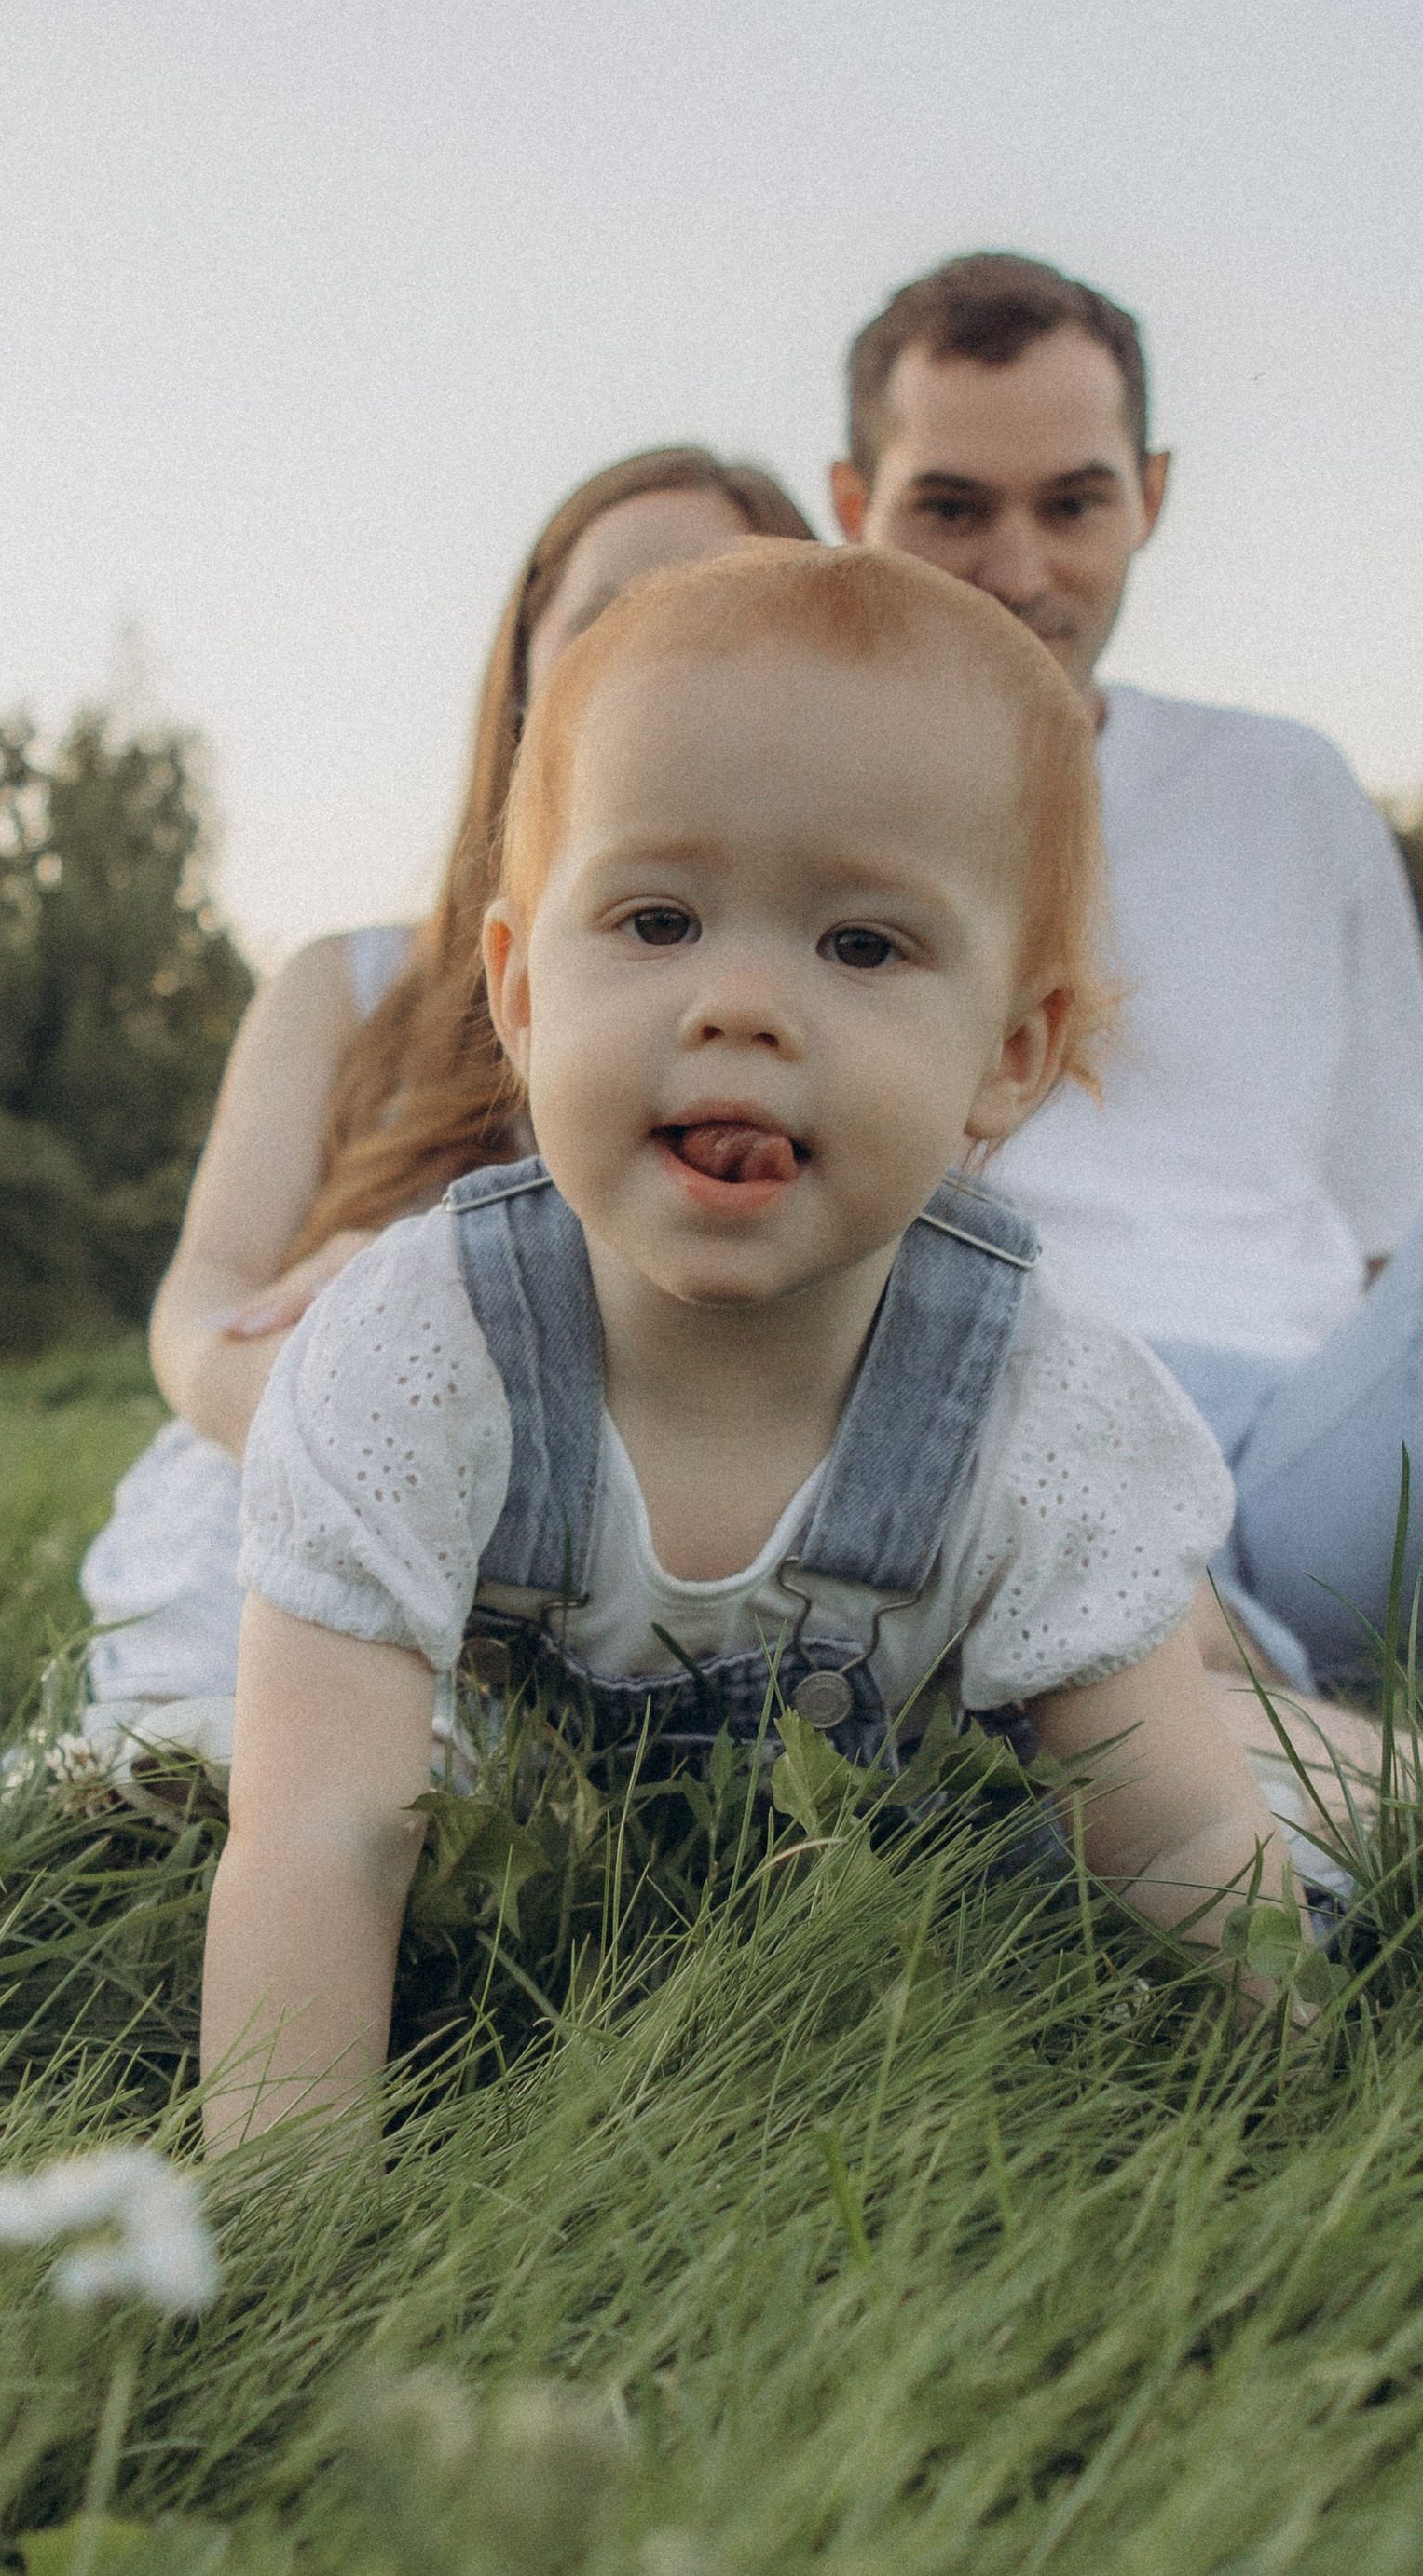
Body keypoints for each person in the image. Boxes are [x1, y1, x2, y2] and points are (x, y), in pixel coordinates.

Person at [200, 545, 1289, 2153]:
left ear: (1010, 1054)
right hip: (519, 1895)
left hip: (918, 1893)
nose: (742, 1005)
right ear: (517, 990)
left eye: (862, 946)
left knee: (1221, 1832)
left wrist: (1297, 2112)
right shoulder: (423, 1351)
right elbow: (323, 1828)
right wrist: (289, 2230)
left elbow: (1177, 1834)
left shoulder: (1038, 1402)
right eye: (657, 918)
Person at [80, 446, 817, 1766]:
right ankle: (192, 1759)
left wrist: (432, 1291)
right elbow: (204, 1295)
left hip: (623, 1532)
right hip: (306, 1469)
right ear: (526, 660)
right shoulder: (345, 987)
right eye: (605, 612)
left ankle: (405, 1786)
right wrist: (317, 1389)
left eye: (713, 613)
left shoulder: (800, 1015)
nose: (651, 651)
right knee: (247, 1565)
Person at [832, 255, 1423, 1694]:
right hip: (1001, 1436)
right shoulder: (797, 815)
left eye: (1075, 504)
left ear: (1150, 496)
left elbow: (1383, 1221)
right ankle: (1254, 1711)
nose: (1022, 573)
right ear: (855, 510)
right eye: (954, 508)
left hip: (1313, 1445)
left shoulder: (1289, 788)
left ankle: (1254, 1687)